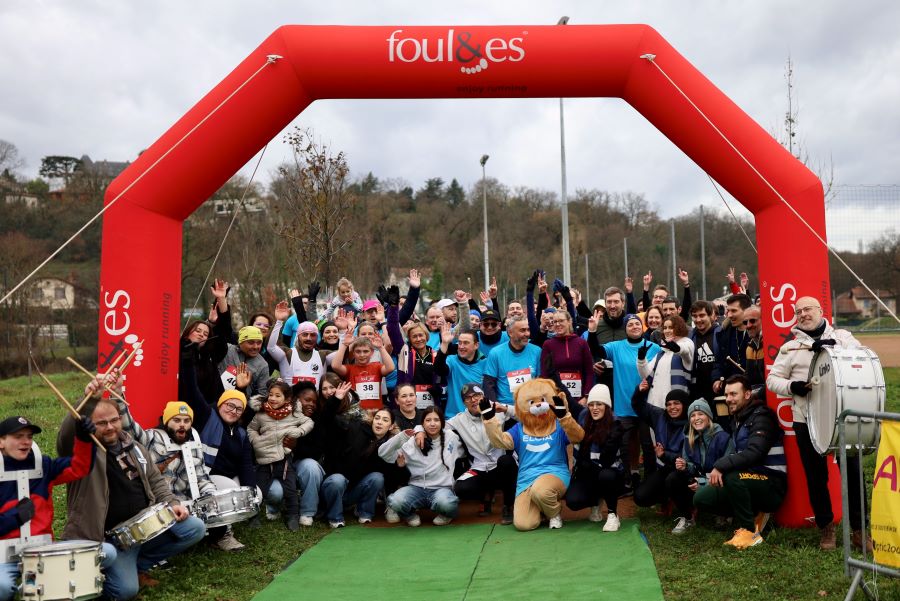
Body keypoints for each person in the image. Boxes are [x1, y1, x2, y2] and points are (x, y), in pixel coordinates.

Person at [58, 376, 205, 597]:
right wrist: (88, 401)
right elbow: (66, 438)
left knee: (194, 528)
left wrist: (173, 503)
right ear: (89, 425)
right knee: (125, 591)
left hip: (144, 528)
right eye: (101, 423)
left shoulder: (133, 446)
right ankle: (99, 571)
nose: (110, 427)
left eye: (114, 420)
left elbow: (155, 480)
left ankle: (138, 565)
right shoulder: (83, 452)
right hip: (109, 538)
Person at [766, 296, 868, 550]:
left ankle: (860, 530)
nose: (803, 314)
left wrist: (835, 348)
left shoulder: (843, 336)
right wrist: (793, 386)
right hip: (806, 419)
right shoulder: (790, 348)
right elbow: (772, 380)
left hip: (842, 416)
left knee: (853, 473)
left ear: (821, 311)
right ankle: (826, 529)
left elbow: (860, 358)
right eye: (798, 311)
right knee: (815, 476)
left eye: (808, 309)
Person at [1, 415, 95, 601]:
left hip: (44, 552)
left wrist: (84, 439)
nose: (26, 441)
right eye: (18, 436)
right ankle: (26, 586)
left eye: (29, 436)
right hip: (4, 558)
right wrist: (15, 517)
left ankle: (33, 584)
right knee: (2, 587)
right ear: (1, 441)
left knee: (108, 552)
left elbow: (79, 467)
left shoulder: (43, 466)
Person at [693, 375, 787, 549]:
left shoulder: (762, 416)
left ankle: (749, 532)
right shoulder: (739, 418)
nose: (729, 399)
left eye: (733, 394)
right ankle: (754, 514)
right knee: (702, 498)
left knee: (732, 476)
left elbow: (755, 452)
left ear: (747, 394)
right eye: (726, 394)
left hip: (771, 483)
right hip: (750, 479)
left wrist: (721, 465)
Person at [480, 378, 584, 531]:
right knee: (523, 524)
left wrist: (565, 417)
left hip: (555, 473)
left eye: (542, 400)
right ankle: (542, 508)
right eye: (531, 402)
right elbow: (501, 442)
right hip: (527, 479)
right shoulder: (519, 428)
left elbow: (578, 437)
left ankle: (554, 513)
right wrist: (490, 420)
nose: (538, 405)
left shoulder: (558, 424)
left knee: (541, 491)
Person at [180, 348, 255, 550]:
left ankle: (219, 526)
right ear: (220, 404)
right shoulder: (207, 416)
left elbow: (246, 464)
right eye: (229, 405)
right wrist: (187, 361)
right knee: (228, 488)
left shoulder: (240, 433)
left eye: (238, 409)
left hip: (227, 477)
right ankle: (222, 535)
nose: (233, 411)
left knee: (251, 492)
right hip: (203, 476)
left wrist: (251, 493)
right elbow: (192, 390)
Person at [589, 313, 662, 491]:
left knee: (648, 444)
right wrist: (592, 331)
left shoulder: (653, 347)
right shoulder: (616, 347)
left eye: (637, 324)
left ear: (642, 327)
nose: (634, 327)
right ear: (625, 329)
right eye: (630, 325)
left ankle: (649, 481)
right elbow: (597, 351)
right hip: (623, 405)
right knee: (624, 443)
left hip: (646, 405)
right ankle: (629, 477)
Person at [380, 407, 464, 526]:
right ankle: (409, 516)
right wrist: (403, 436)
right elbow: (382, 453)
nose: (432, 424)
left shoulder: (451, 437)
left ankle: (446, 515)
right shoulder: (412, 442)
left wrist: (419, 429)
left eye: (436, 420)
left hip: (442, 489)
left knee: (447, 503)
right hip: (416, 489)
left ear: (442, 422)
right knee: (396, 501)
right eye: (428, 420)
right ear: (423, 423)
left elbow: (465, 450)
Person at [447, 383, 517, 525]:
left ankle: (508, 505)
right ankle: (486, 495)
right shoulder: (459, 419)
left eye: (477, 395)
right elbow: (435, 425)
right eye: (468, 398)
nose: (473, 400)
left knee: (507, 461)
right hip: (479, 468)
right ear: (464, 403)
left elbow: (526, 415)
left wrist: (505, 408)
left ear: (483, 396)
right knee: (461, 488)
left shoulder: (497, 410)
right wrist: (419, 431)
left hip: (501, 465)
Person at [248, 379, 314, 531]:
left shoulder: (294, 414)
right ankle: (254, 517)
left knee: (291, 490)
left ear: (287, 399)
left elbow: (309, 422)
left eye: (278, 396)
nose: (272, 398)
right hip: (264, 460)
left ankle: (292, 517)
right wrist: (255, 440)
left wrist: (298, 432)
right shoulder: (261, 414)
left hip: (284, 460)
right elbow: (251, 429)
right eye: (270, 394)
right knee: (259, 489)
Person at [319, 380, 387, 528]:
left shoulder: (373, 432)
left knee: (377, 477)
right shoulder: (339, 423)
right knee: (337, 480)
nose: (379, 422)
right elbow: (326, 417)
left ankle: (364, 512)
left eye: (384, 420)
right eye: (377, 418)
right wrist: (335, 399)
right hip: (334, 486)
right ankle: (335, 517)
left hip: (354, 490)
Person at [564, 385, 626, 532]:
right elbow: (567, 397)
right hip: (588, 471)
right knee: (573, 501)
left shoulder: (616, 425)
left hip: (610, 472)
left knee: (605, 476)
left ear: (607, 406)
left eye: (599, 404)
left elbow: (606, 460)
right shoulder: (583, 416)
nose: (595, 408)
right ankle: (595, 502)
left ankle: (612, 514)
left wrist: (594, 435)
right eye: (591, 404)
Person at [670, 399, 733, 535]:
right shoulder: (689, 438)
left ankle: (723, 513)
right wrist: (685, 465)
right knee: (673, 478)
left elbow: (728, 470)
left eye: (700, 414)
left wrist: (704, 483)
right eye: (693, 415)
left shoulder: (723, 438)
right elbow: (692, 467)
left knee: (729, 479)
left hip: (720, 482)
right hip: (700, 479)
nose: (696, 418)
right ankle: (688, 517)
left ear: (709, 416)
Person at [631, 389, 688, 510]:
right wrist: (639, 392)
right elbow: (639, 405)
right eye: (668, 404)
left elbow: (687, 458)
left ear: (684, 404)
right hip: (666, 467)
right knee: (640, 496)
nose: (672, 407)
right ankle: (666, 499)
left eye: (676, 403)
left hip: (686, 470)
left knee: (672, 480)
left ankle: (690, 505)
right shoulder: (660, 416)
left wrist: (663, 455)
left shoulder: (692, 421)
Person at [331, 318, 395, 413]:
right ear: (353, 353)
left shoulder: (377, 367)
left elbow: (390, 368)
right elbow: (335, 366)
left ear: (371, 352)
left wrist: (381, 347)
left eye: (365, 351)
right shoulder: (349, 369)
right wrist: (344, 345)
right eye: (358, 352)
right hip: (356, 412)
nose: (362, 355)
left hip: (375, 412)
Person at [482, 316, 542, 416]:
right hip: (504, 409)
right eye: (522, 330)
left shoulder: (537, 351)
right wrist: (495, 407)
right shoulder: (496, 353)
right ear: (510, 333)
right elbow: (488, 383)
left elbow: (541, 380)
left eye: (528, 330)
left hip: (530, 408)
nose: (527, 334)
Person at [638, 315, 694, 410]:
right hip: (654, 405)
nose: (667, 331)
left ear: (679, 328)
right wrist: (641, 359)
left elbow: (685, 350)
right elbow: (645, 375)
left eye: (671, 327)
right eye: (665, 328)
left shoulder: (687, 343)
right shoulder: (661, 352)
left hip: (675, 406)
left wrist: (677, 348)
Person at [269, 300, 329, 389]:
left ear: (317, 337)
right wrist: (279, 321)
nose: (308, 338)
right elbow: (271, 347)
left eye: (313, 335)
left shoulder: (323, 355)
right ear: (297, 336)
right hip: (290, 397)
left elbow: (342, 356)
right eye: (305, 335)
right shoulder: (287, 353)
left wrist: (343, 332)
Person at [540, 310, 595, 405]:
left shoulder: (581, 343)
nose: (558, 324)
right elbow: (545, 374)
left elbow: (589, 372)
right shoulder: (548, 344)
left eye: (561, 321)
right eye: (555, 321)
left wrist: (586, 396)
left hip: (580, 400)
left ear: (569, 321)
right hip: (557, 399)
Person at [434, 325, 488, 419]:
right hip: (454, 418)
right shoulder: (452, 360)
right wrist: (445, 343)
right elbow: (439, 369)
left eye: (466, 343)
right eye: (459, 342)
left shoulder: (485, 363)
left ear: (476, 345)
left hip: (479, 417)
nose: (461, 346)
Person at [712, 293, 751, 395]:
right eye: (728, 311)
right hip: (731, 391)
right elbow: (719, 362)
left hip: (752, 390)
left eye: (734, 311)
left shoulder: (758, 335)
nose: (729, 315)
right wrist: (717, 378)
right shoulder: (723, 334)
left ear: (747, 311)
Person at [219, 325, 270, 399]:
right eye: (251, 342)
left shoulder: (263, 365)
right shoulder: (227, 349)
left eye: (259, 343)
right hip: (213, 396)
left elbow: (262, 394)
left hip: (238, 402)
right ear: (240, 342)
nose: (255, 347)